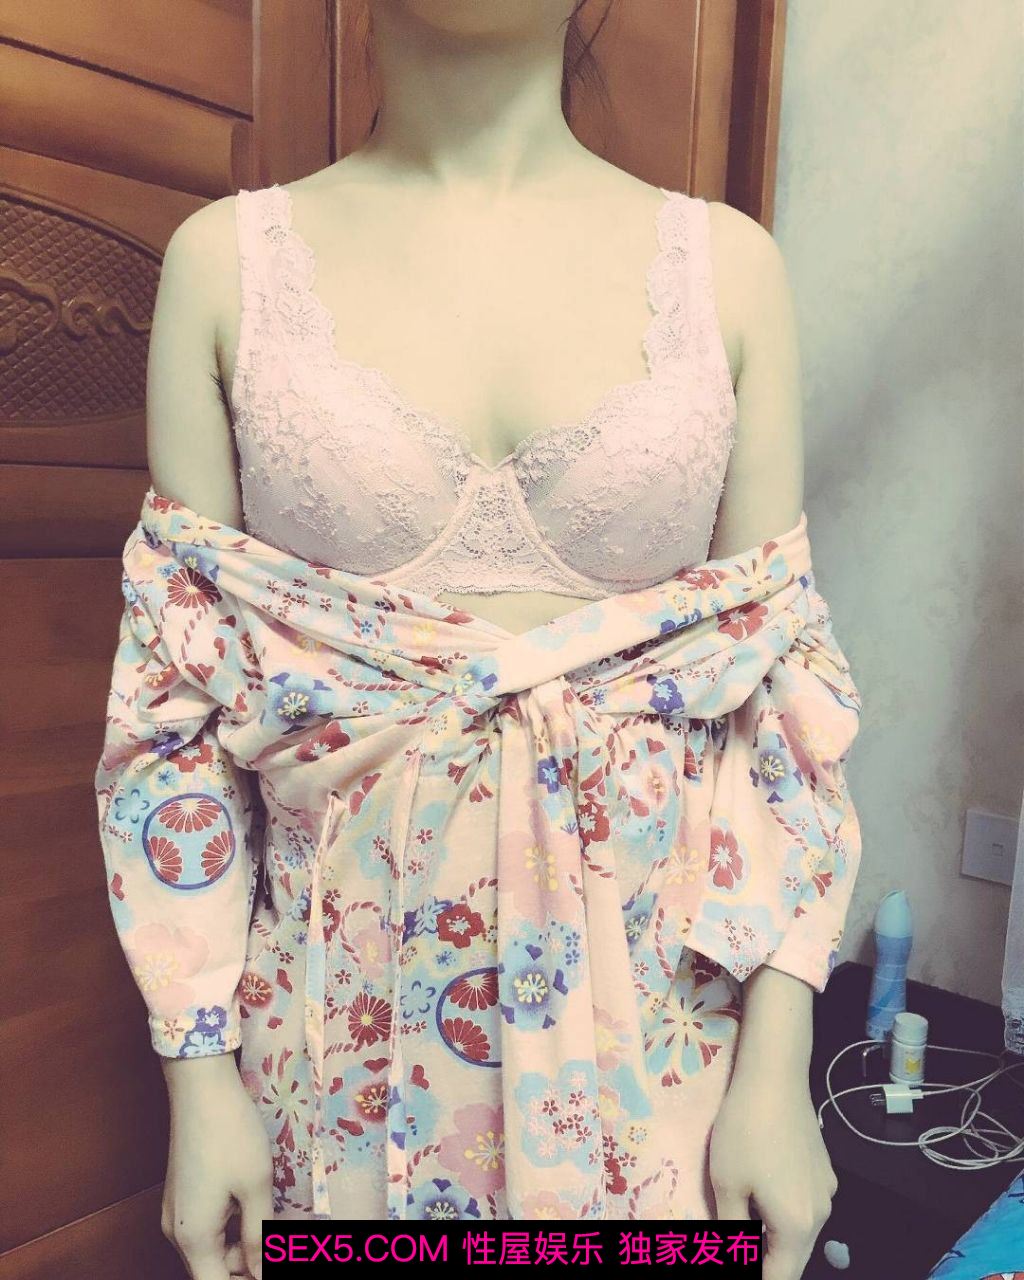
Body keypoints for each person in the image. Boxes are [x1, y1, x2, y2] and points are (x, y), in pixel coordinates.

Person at [108, 2, 848, 1277]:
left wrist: (777, 1072)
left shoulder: (729, 269)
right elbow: (173, 717)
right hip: (338, 1045)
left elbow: (779, 699)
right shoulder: (224, 264)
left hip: (661, 1049)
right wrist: (199, 1072)